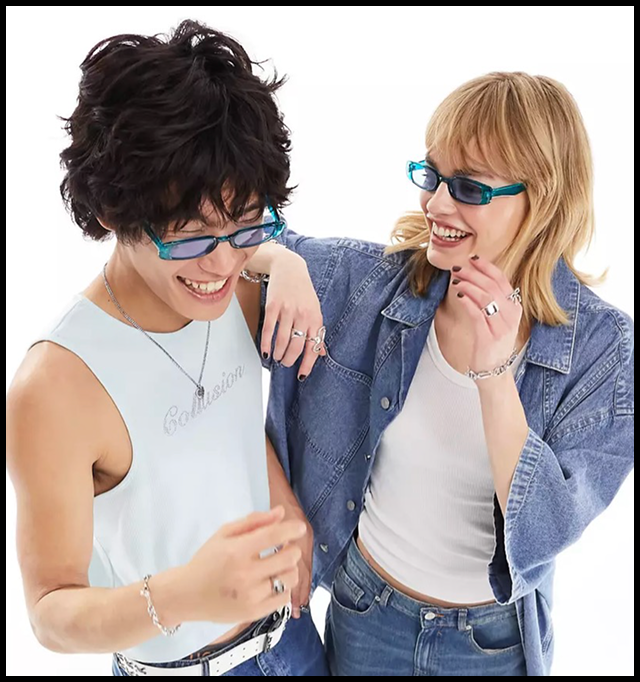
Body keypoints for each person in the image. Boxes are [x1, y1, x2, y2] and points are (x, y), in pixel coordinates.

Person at [250, 72, 635, 676]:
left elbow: (544, 532)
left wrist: (494, 373)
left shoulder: (605, 352)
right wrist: (284, 262)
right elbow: (230, 237)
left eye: (469, 187)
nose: (435, 204)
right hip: (365, 614)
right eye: (431, 176)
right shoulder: (370, 285)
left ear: (542, 201)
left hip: (489, 646)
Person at [5, 19, 329, 677]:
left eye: (245, 227)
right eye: (190, 236)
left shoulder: (238, 286)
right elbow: (50, 612)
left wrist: (283, 506)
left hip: (293, 641)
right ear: (111, 212)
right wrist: (184, 595)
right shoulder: (56, 386)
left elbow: (221, 417)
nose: (221, 263)